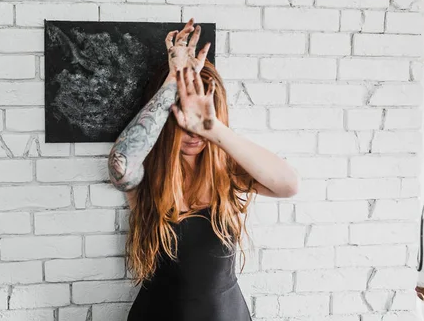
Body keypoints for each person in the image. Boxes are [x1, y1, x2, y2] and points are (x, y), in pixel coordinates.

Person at [107, 18, 300, 321]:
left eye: (198, 118)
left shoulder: (229, 173)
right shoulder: (149, 177)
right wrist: (173, 82)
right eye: (182, 116)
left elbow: (288, 185)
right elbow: (120, 164)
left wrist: (213, 128)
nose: (191, 132)